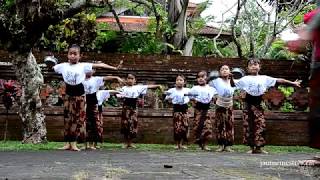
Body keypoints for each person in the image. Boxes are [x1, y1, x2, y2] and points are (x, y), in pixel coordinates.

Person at [53, 44, 122, 151]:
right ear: (67, 55)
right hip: (68, 94)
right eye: (70, 54)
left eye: (75, 54)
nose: (72, 56)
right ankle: (67, 143)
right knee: (67, 118)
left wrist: (114, 68)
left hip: (79, 94)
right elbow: (50, 66)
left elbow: (100, 65)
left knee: (78, 118)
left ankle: (74, 143)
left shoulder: (83, 66)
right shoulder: (62, 66)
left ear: (80, 56)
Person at [235, 58, 301, 154]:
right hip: (248, 105)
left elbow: (279, 80)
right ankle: (251, 147)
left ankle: (259, 148)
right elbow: (233, 84)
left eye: (256, 64)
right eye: (251, 65)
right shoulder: (244, 79)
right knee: (248, 125)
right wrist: (231, 78)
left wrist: (292, 83)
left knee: (260, 125)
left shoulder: (264, 78)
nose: (254, 66)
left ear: (259, 67)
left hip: (258, 105)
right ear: (247, 68)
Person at [118, 74, 162, 148]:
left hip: (134, 109)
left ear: (135, 80)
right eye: (128, 78)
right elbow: (118, 96)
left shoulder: (138, 87)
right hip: (126, 108)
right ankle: (125, 142)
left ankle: (130, 143)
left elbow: (148, 86)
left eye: (132, 79)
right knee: (125, 124)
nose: (130, 80)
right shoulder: (123, 88)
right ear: (126, 80)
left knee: (133, 124)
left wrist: (158, 85)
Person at [83, 70, 123, 150]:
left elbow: (111, 91)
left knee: (95, 125)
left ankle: (93, 144)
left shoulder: (100, 91)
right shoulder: (83, 82)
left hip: (96, 109)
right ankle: (85, 144)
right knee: (85, 125)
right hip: (86, 106)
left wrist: (120, 91)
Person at [209, 65, 236, 152]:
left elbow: (237, 88)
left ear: (229, 71)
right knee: (219, 125)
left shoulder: (233, 81)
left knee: (229, 124)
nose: (224, 70)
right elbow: (210, 87)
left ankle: (228, 146)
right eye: (222, 69)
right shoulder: (216, 81)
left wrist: (232, 78)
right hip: (219, 105)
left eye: (226, 69)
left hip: (229, 105)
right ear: (220, 72)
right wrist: (215, 96)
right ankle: (221, 145)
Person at [190, 71, 217, 151]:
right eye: (199, 77)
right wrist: (194, 103)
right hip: (198, 110)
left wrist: (214, 100)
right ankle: (199, 144)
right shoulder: (195, 88)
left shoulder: (211, 88)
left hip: (207, 111)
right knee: (198, 126)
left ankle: (205, 144)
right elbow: (191, 98)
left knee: (207, 127)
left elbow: (215, 97)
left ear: (207, 78)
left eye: (203, 77)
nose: (201, 79)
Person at [165, 74, 191, 150]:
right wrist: (169, 99)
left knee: (184, 126)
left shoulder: (188, 90)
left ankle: (181, 144)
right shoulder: (171, 90)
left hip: (185, 110)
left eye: (181, 80)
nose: (179, 81)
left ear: (184, 82)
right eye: (177, 80)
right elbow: (167, 100)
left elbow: (193, 98)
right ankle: (177, 144)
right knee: (177, 127)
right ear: (175, 82)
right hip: (176, 110)